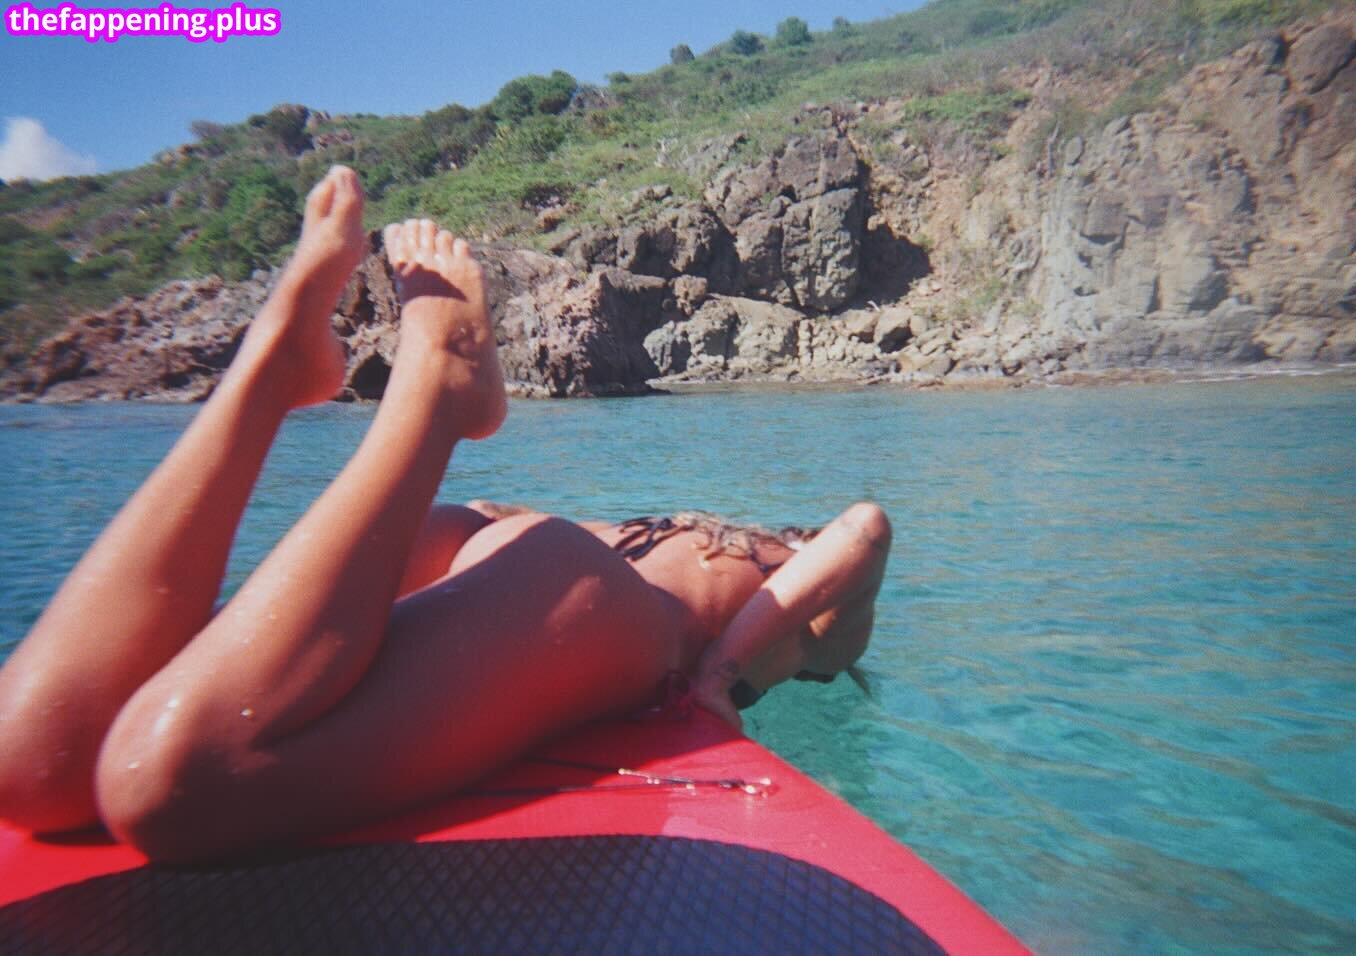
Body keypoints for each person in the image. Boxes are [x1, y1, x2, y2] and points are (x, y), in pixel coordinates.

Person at [0, 166, 891, 863]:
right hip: (577, 597)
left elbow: (861, 534)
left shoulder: (817, 631)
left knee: (37, 765)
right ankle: (424, 391)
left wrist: (722, 672)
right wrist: (722, 683)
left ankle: (274, 371)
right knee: (141, 777)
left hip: (543, 569)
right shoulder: (780, 587)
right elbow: (860, 528)